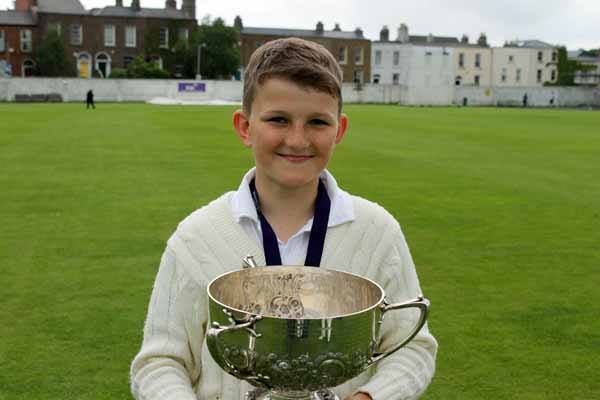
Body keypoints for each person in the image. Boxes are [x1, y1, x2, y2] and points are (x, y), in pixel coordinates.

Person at [130, 37, 438, 400]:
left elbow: (414, 348)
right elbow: (160, 362)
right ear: (245, 127)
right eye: (278, 119)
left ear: (338, 131)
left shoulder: (378, 231)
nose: (297, 139)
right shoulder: (197, 236)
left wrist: (369, 397)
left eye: (317, 123)